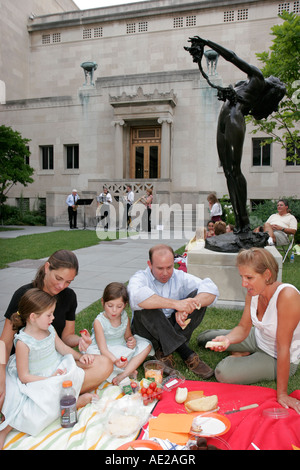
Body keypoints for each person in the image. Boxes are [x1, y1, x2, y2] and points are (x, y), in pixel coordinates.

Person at [185, 37, 286, 233]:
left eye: (277, 79)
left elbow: (232, 57)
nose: (274, 76)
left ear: (272, 85)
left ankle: (244, 222)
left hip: (233, 118)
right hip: (224, 116)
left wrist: (208, 42)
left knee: (235, 170)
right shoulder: (248, 85)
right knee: (228, 172)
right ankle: (240, 225)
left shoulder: (257, 77)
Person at [0, 250, 113, 416]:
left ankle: (46, 400)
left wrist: (80, 342)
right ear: (47, 268)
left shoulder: (68, 297)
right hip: (26, 366)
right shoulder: (24, 295)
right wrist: (1, 375)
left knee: (105, 364)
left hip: (54, 360)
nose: (61, 286)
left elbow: (66, 337)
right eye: (58, 278)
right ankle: (62, 400)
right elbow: (5, 342)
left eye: (68, 281)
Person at [197, 247, 300, 414]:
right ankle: (241, 351)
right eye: (242, 277)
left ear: (267, 275)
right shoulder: (253, 292)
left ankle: (245, 356)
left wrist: (282, 394)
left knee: (223, 372)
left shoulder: (287, 297)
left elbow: (283, 348)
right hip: (258, 337)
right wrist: (228, 340)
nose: (244, 284)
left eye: (249, 277)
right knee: (204, 338)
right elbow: (244, 328)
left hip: (276, 354)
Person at [0, 288, 96, 448]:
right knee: (31, 405)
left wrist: (80, 356)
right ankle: (74, 403)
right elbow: (24, 377)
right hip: (35, 378)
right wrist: (49, 379)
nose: (53, 318)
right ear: (33, 317)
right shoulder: (24, 342)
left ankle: (68, 403)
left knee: (71, 378)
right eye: (49, 314)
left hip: (54, 369)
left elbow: (62, 348)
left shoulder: (50, 330)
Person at [127, 244, 219, 378]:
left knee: (197, 299)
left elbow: (211, 289)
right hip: (147, 330)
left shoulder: (179, 276)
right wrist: (177, 305)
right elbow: (136, 297)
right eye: (160, 268)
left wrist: (188, 306)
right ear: (150, 264)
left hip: (173, 326)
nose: (165, 273)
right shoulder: (140, 277)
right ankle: (185, 352)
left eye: (169, 267)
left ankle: (164, 351)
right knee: (145, 305)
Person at [86, 282, 153, 385]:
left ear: (124, 305)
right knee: (101, 363)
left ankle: (123, 374)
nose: (114, 311)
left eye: (119, 306)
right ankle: (127, 368)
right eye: (110, 305)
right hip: (106, 351)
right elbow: (103, 349)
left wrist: (131, 341)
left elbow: (127, 336)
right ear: (103, 302)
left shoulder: (124, 316)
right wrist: (115, 360)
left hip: (122, 347)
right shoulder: (99, 322)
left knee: (147, 345)